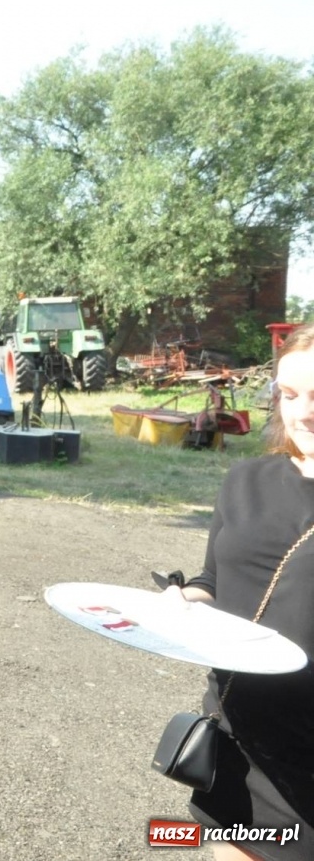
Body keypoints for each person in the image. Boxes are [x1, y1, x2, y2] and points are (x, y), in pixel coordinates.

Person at [168, 324, 314, 859]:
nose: (301, 413)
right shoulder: (245, 481)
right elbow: (213, 582)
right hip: (237, 736)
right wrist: (180, 602)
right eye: (290, 395)